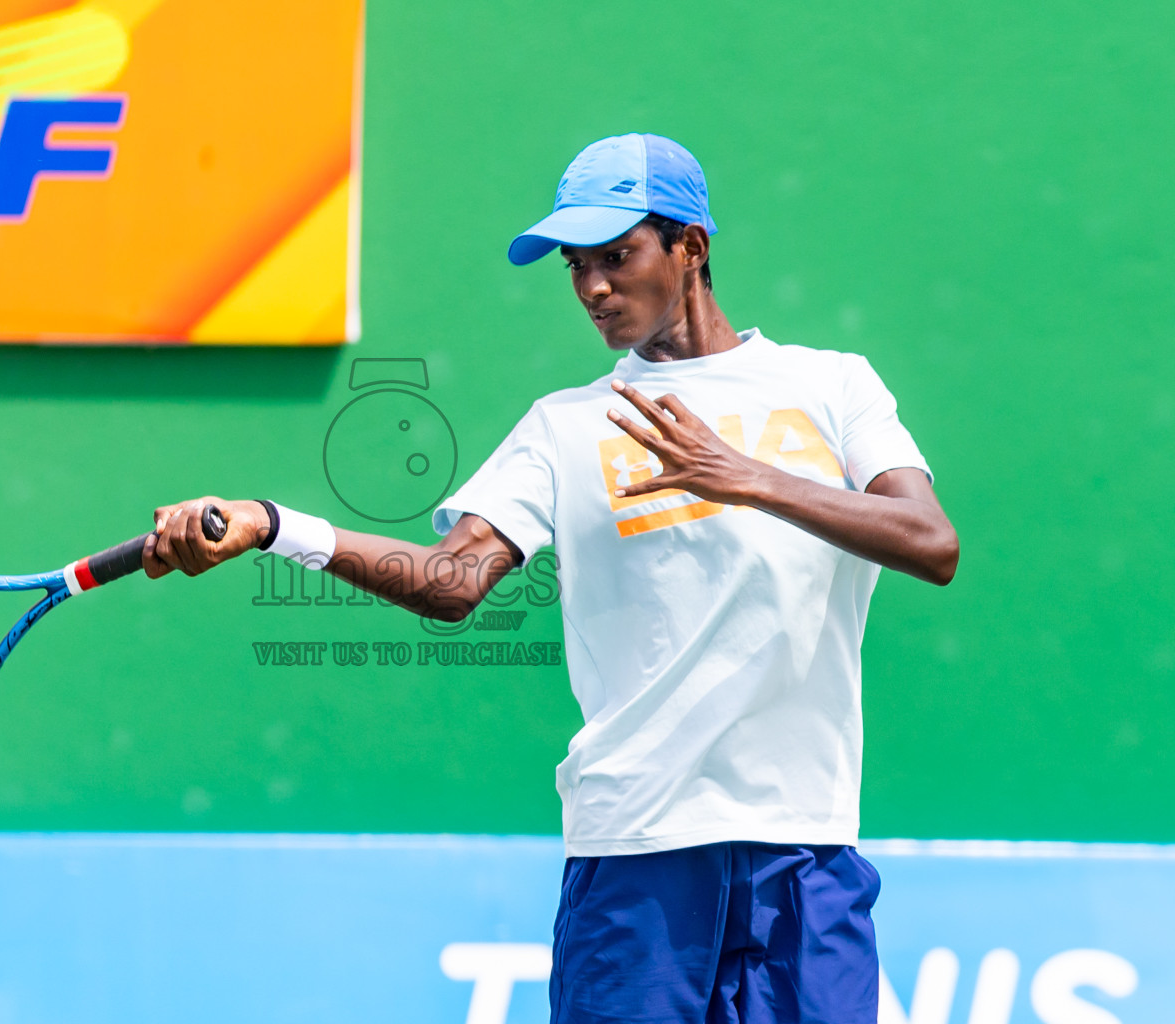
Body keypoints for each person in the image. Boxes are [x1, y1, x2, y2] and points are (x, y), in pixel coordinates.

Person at [145, 132, 958, 1024]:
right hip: (639, 854)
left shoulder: (833, 387)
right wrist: (274, 525)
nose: (594, 288)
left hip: (804, 851)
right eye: (577, 266)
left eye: (619, 256)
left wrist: (746, 475)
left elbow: (929, 541)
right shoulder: (566, 426)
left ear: (692, 245)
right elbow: (451, 583)